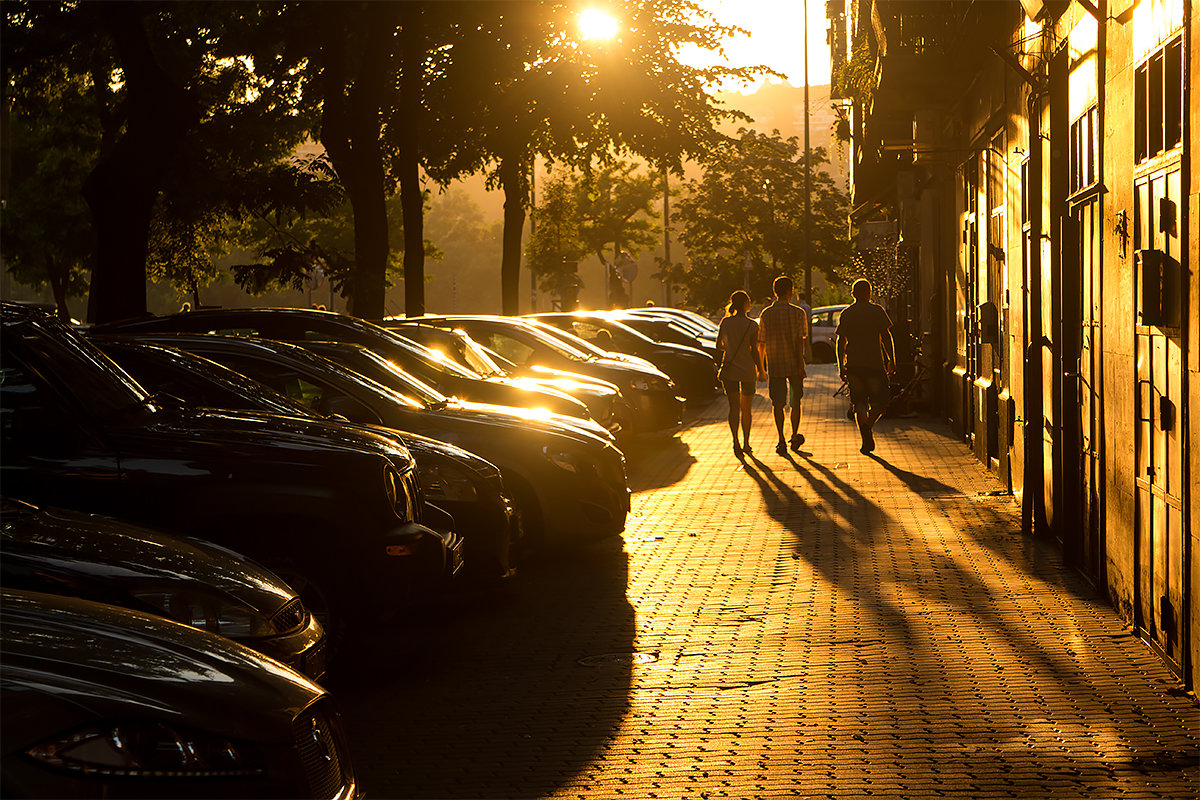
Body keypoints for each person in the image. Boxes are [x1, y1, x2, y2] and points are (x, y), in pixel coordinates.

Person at [835, 278, 896, 455]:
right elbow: (886, 336)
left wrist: (841, 365)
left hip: (854, 365)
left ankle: (865, 436)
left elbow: (841, 341)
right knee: (882, 402)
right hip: (875, 364)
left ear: (853, 294)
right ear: (869, 293)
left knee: (859, 403)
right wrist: (891, 359)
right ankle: (869, 425)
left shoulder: (847, 313)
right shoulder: (877, 311)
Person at [757, 275, 809, 456]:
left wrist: (761, 368)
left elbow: (761, 342)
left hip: (775, 364)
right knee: (796, 402)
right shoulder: (798, 313)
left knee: (777, 403)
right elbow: (800, 341)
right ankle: (794, 435)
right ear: (789, 291)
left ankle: (780, 439)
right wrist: (801, 363)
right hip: (794, 364)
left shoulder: (766, 314)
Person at [716, 290, 764, 458]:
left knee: (734, 408)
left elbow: (718, 346)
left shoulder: (725, 322)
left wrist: (730, 347)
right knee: (746, 409)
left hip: (730, 371)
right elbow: (754, 350)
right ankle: (746, 443)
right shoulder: (752, 325)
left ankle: (735, 441)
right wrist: (761, 369)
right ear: (745, 304)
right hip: (747, 371)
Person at [796, 291, 813, 362]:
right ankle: (809, 358)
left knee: (802, 343)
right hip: (809, 324)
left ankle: (804, 359)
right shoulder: (808, 307)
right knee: (807, 343)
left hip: (803, 324)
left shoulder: (802, 307)